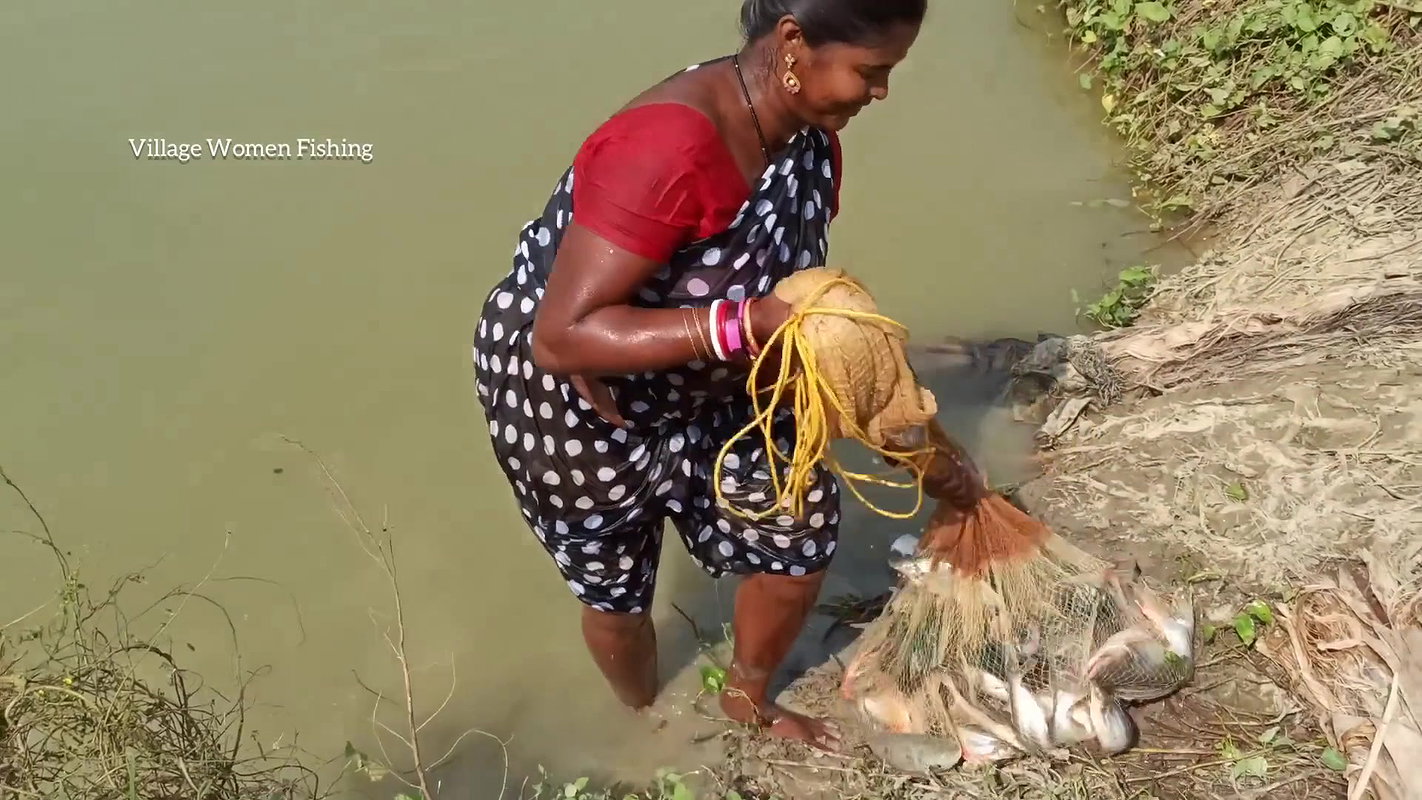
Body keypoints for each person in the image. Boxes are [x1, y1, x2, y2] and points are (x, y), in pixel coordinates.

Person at [473, 0, 926, 751]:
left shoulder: (808, 141)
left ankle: (747, 698)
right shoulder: (671, 146)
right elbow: (562, 336)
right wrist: (741, 324)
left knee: (798, 538)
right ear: (793, 44)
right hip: (577, 403)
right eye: (871, 72)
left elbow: (788, 283)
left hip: (720, 376)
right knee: (616, 591)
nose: (880, 93)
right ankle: (642, 717)